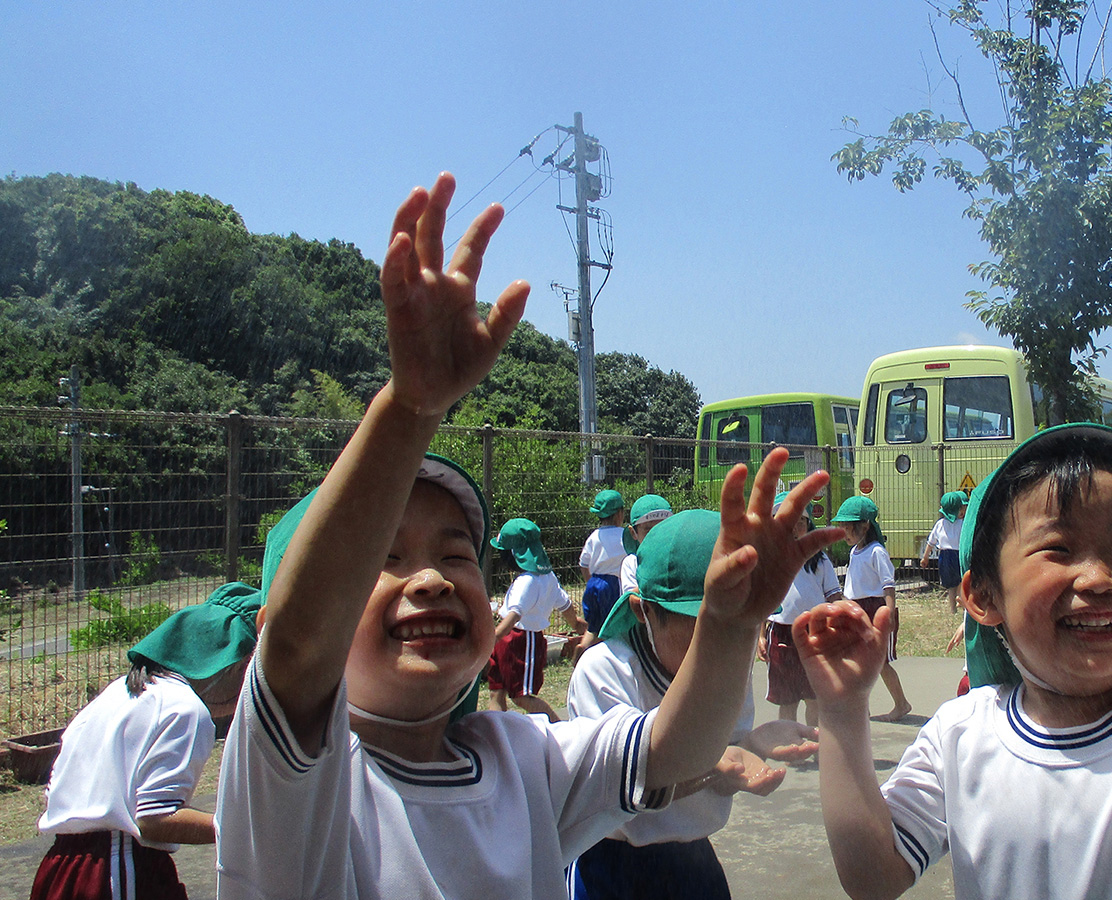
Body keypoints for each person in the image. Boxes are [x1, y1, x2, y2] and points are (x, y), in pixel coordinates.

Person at [212, 172, 842, 899]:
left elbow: (674, 750)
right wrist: (409, 411)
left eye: (457, 554)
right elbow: (300, 641)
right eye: (381, 559)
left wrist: (730, 628)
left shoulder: (522, 759)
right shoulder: (295, 786)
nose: (431, 578)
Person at [796, 422, 1112, 900]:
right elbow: (872, 874)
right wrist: (841, 712)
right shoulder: (959, 735)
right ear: (984, 598)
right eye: (1059, 548)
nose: (1100, 578)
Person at [566, 509, 824, 900]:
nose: (719, 641)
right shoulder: (605, 671)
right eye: (702, 624)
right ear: (644, 610)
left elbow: (725, 755)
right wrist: (718, 761)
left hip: (693, 859)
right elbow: (624, 790)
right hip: (613, 865)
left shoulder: (729, 657)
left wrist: (752, 745)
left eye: (736, 623)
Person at [33, 582, 260, 900]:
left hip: (58, 869)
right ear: (232, 662)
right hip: (117, 871)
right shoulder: (184, 708)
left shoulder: (118, 692)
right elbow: (154, 819)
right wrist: (243, 828)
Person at [759, 491, 843, 726]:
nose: (795, 528)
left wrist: (842, 619)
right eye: (788, 522)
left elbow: (834, 595)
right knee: (787, 700)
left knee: (814, 697)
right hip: (781, 633)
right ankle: (790, 745)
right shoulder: (769, 560)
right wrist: (760, 636)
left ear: (808, 524)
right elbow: (762, 602)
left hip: (813, 631)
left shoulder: (820, 559)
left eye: (801, 522)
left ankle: (815, 744)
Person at [487, 517, 580, 718]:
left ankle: (559, 727)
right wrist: (581, 627)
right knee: (496, 690)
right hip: (509, 638)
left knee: (521, 696)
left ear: (514, 554)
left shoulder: (527, 581)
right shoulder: (547, 577)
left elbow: (513, 616)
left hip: (522, 640)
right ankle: (499, 734)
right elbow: (566, 608)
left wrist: (491, 637)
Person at [832, 496, 912, 722]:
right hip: (857, 610)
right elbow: (851, 587)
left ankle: (901, 703)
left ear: (865, 525)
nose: (844, 533)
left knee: (880, 663)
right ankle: (860, 708)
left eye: (849, 528)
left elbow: (888, 585)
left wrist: (889, 614)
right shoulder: (854, 551)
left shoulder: (876, 551)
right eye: (842, 528)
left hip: (876, 609)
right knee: (858, 661)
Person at [577, 489, 629, 656]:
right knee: (613, 627)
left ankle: (583, 648)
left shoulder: (594, 536)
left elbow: (583, 564)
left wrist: (589, 582)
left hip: (594, 584)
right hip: (614, 585)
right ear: (619, 514)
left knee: (593, 626)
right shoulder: (625, 536)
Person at [918, 491, 967, 613]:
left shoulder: (940, 524)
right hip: (959, 556)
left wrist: (925, 558)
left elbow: (931, 542)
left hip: (944, 556)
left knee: (951, 585)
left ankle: (952, 608)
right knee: (962, 580)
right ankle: (961, 601)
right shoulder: (963, 524)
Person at [618, 494, 673, 596]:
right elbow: (632, 598)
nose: (657, 536)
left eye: (664, 528)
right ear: (633, 533)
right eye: (649, 530)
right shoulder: (632, 563)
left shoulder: (677, 556)